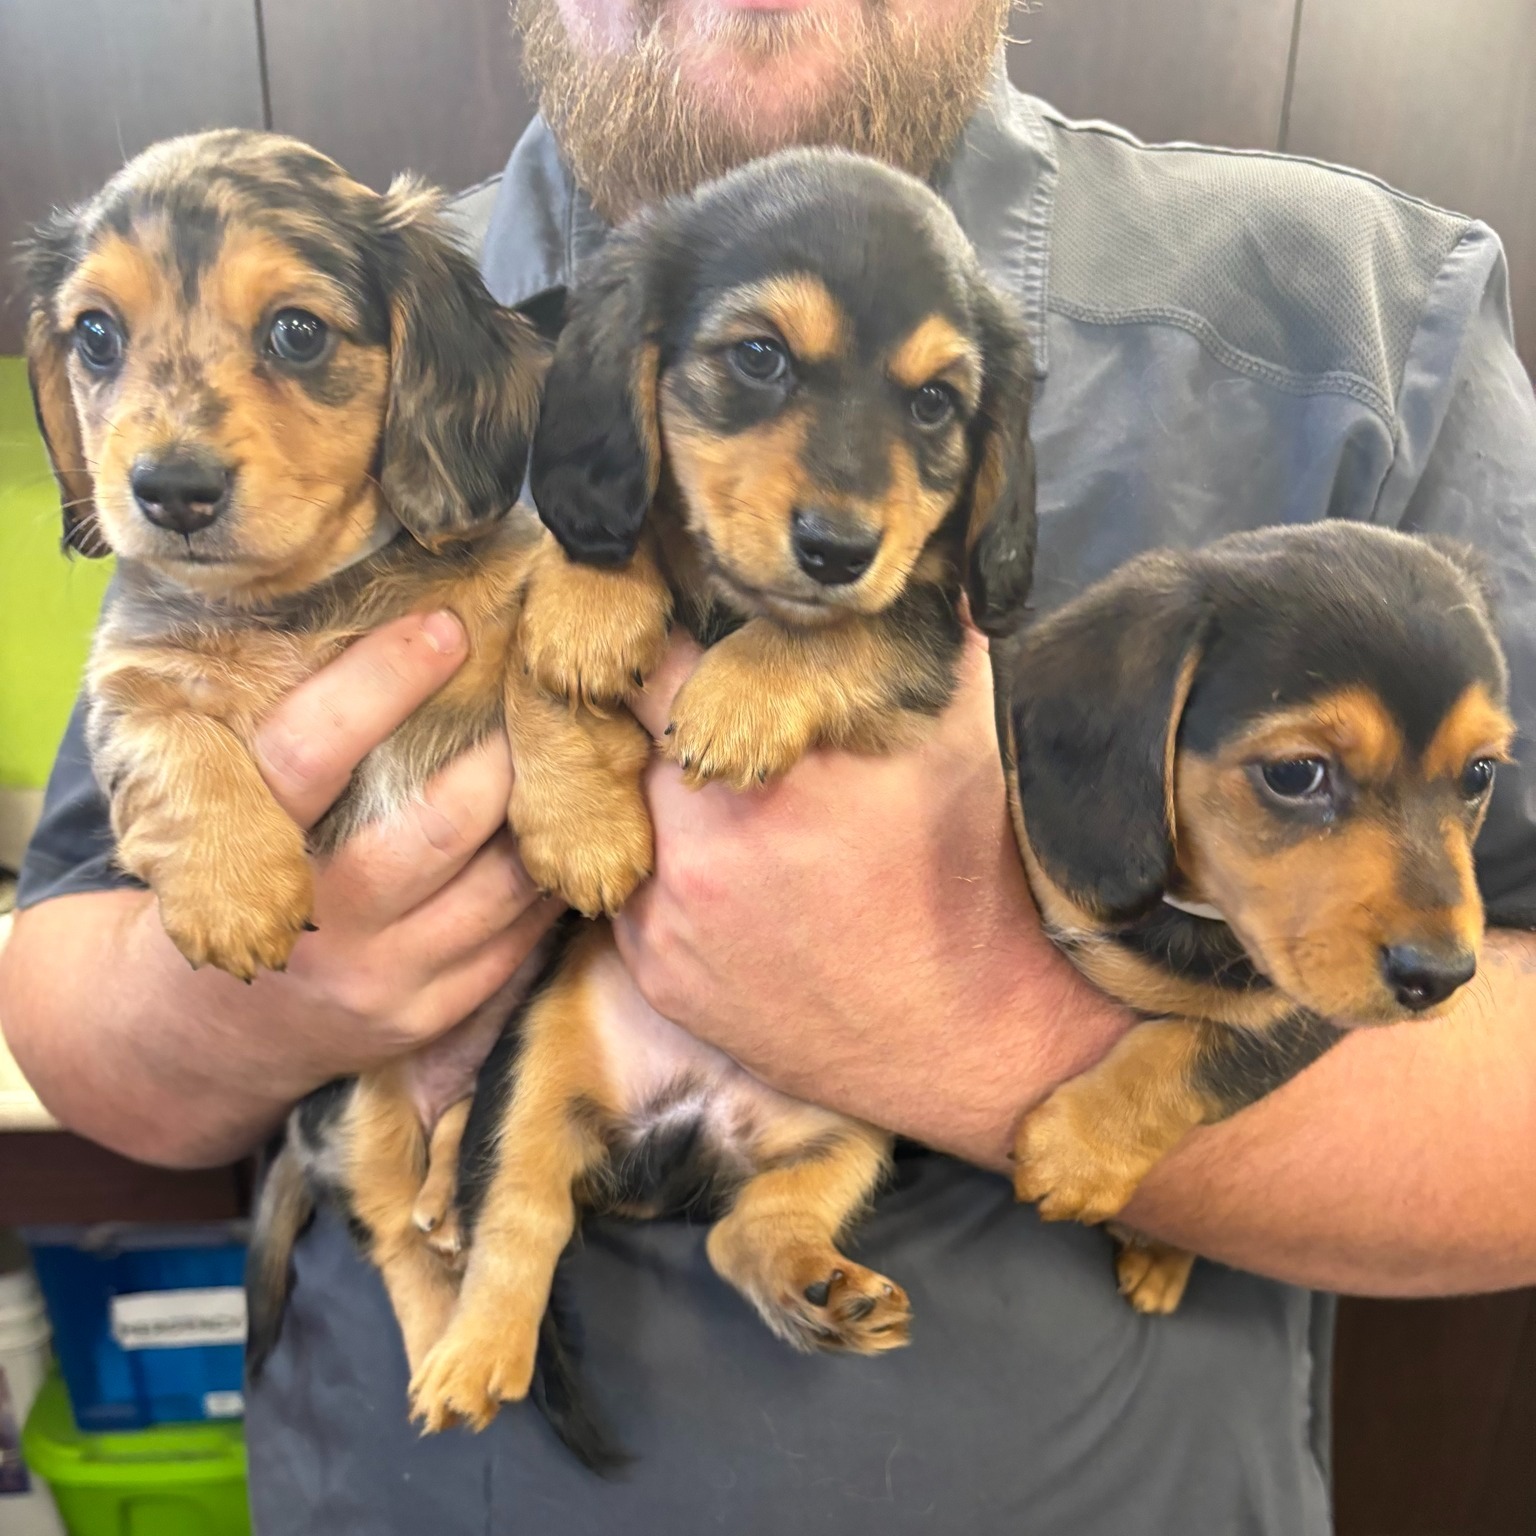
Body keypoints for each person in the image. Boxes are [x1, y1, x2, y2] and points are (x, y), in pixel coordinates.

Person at [4, 1, 1535, 1529]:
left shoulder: (1366, 319)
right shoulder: (360, 292)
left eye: (933, 411)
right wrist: (281, 992)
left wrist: (972, 1030)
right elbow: (72, 979)